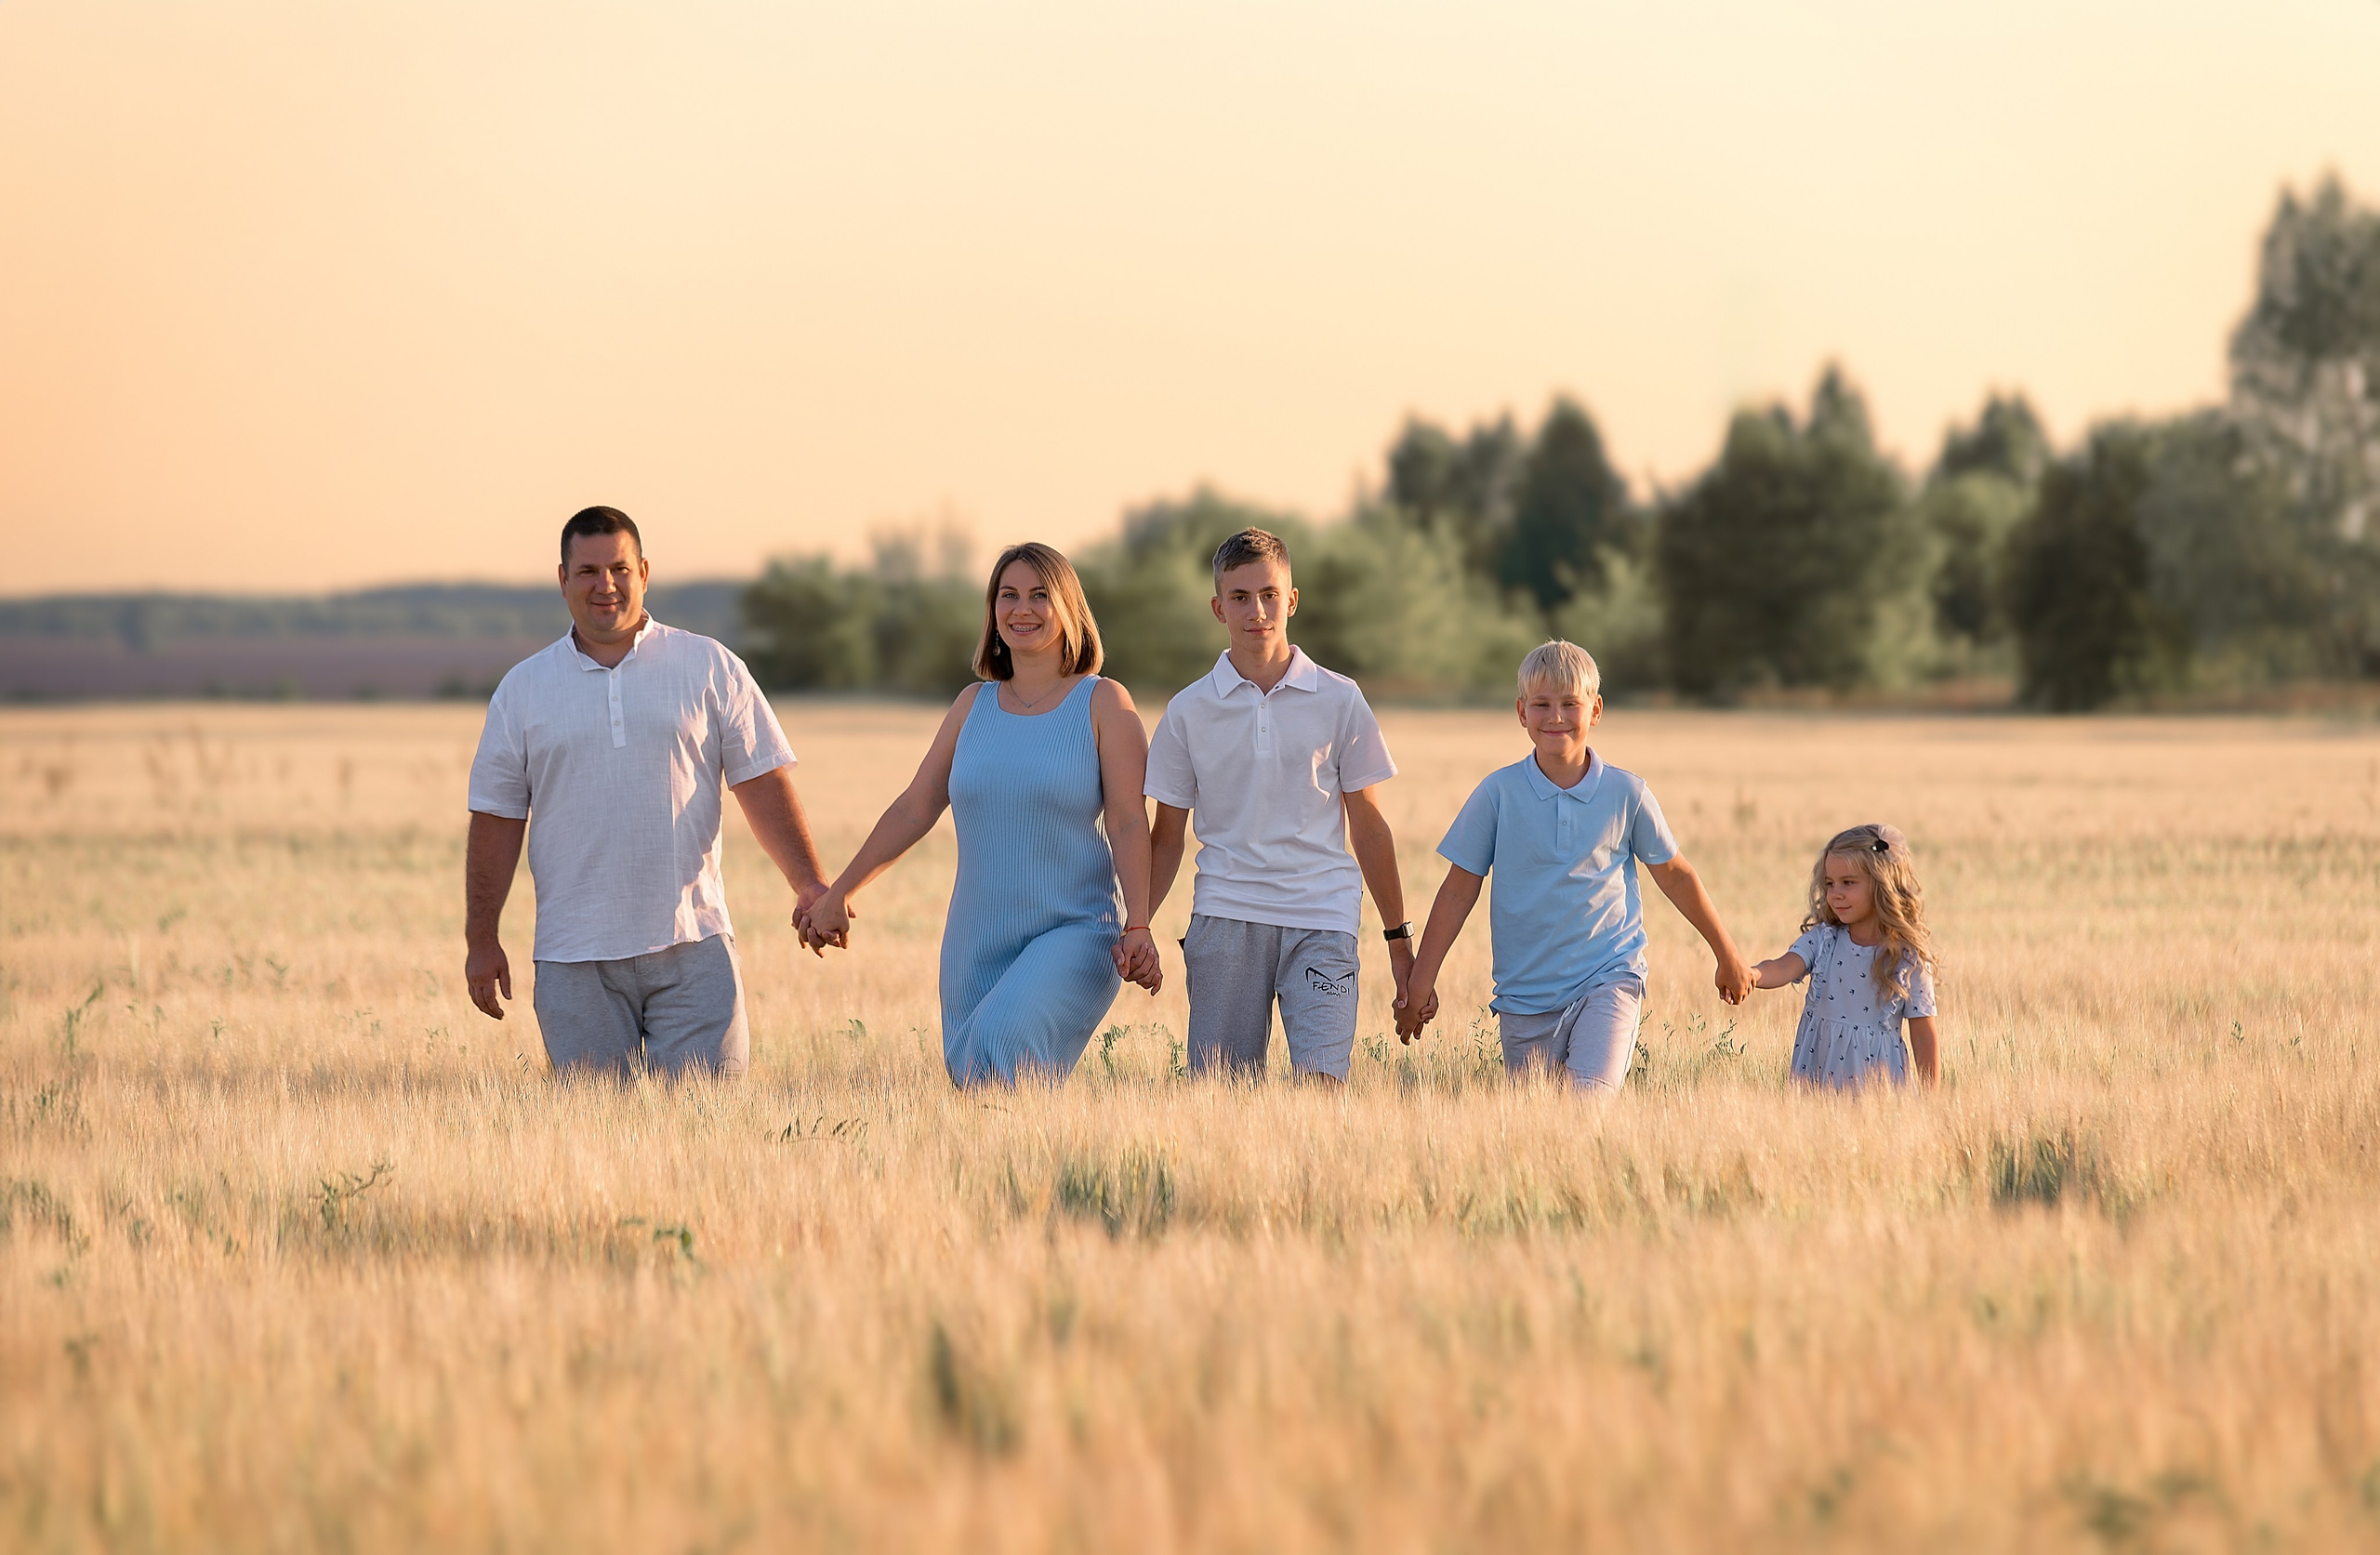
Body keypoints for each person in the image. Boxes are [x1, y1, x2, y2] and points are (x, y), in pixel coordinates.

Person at [463, 506, 831, 1078]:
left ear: (644, 572)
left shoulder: (708, 666)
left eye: (619, 568)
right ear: (562, 580)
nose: (604, 585)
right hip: (573, 957)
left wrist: (809, 884)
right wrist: (481, 936)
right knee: (595, 1142)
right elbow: (496, 819)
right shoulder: (523, 690)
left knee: (707, 1130)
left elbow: (761, 781)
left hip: (694, 945)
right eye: (587, 571)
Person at [799, 543, 1161, 1086]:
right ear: (992, 611)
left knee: (1000, 1055)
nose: (1023, 608)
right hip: (976, 938)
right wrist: (840, 893)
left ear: (1069, 609)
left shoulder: (1105, 702)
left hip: (1075, 930)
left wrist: (1138, 924)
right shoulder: (973, 705)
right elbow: (915, 806)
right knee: (975, 1079)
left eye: (1041, 595)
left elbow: (1130, 822)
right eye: (1008, 595)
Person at [1396, 640, 1751, 1091]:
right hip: (1523, 998)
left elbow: (1676, 875)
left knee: (1588, 1104)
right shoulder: (1497, 794)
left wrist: (1727, 954)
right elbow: (1457, 890)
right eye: (1542, 705)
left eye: (1570, 704)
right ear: (1522, 713)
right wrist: (1421, 983)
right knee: (1540, 1127)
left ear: (1596, 709)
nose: (1556, 717)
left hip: (1608, 979)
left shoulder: (1627, 793)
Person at [1144, 527, 1412, 1084]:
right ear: (1218, 608)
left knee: (1323, 1087)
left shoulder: (1342, 699)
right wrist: (1137, 925)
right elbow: (1166, 836)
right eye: (1240, 598)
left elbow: (1368, 826)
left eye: (1269, 595)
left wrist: (1398, 942)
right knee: (1221, 1094)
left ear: (1291, 600)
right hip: (1225, 915)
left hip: (1323, 917)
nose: (1256, 611)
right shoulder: (1188, 710)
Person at [1747, 824, 1941, 1088]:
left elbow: (1923, 1034)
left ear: (1882, 884)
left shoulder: (1906, 958)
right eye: (1830, 884)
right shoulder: (1824, 941)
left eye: (1848, 883)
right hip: (1819, 1079)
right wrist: (1751, 975)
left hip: (1881, 1090)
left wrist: (1931, 1101)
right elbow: (1782, 967)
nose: (1835, 894)